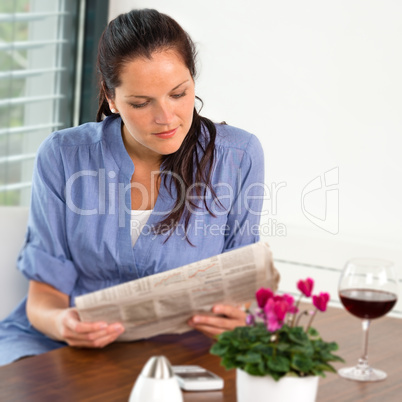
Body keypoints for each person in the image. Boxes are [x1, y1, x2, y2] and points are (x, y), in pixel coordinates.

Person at [0, 8, 276, 366]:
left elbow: (244, 286)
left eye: (178, 94)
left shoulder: (237, 156)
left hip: (181, 350)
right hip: (63, 347)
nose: (166, 118)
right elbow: (43, 299)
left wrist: (240, 318)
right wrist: (62, 323)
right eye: (141, 103)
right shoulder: (64, 157)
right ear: (112, 99)